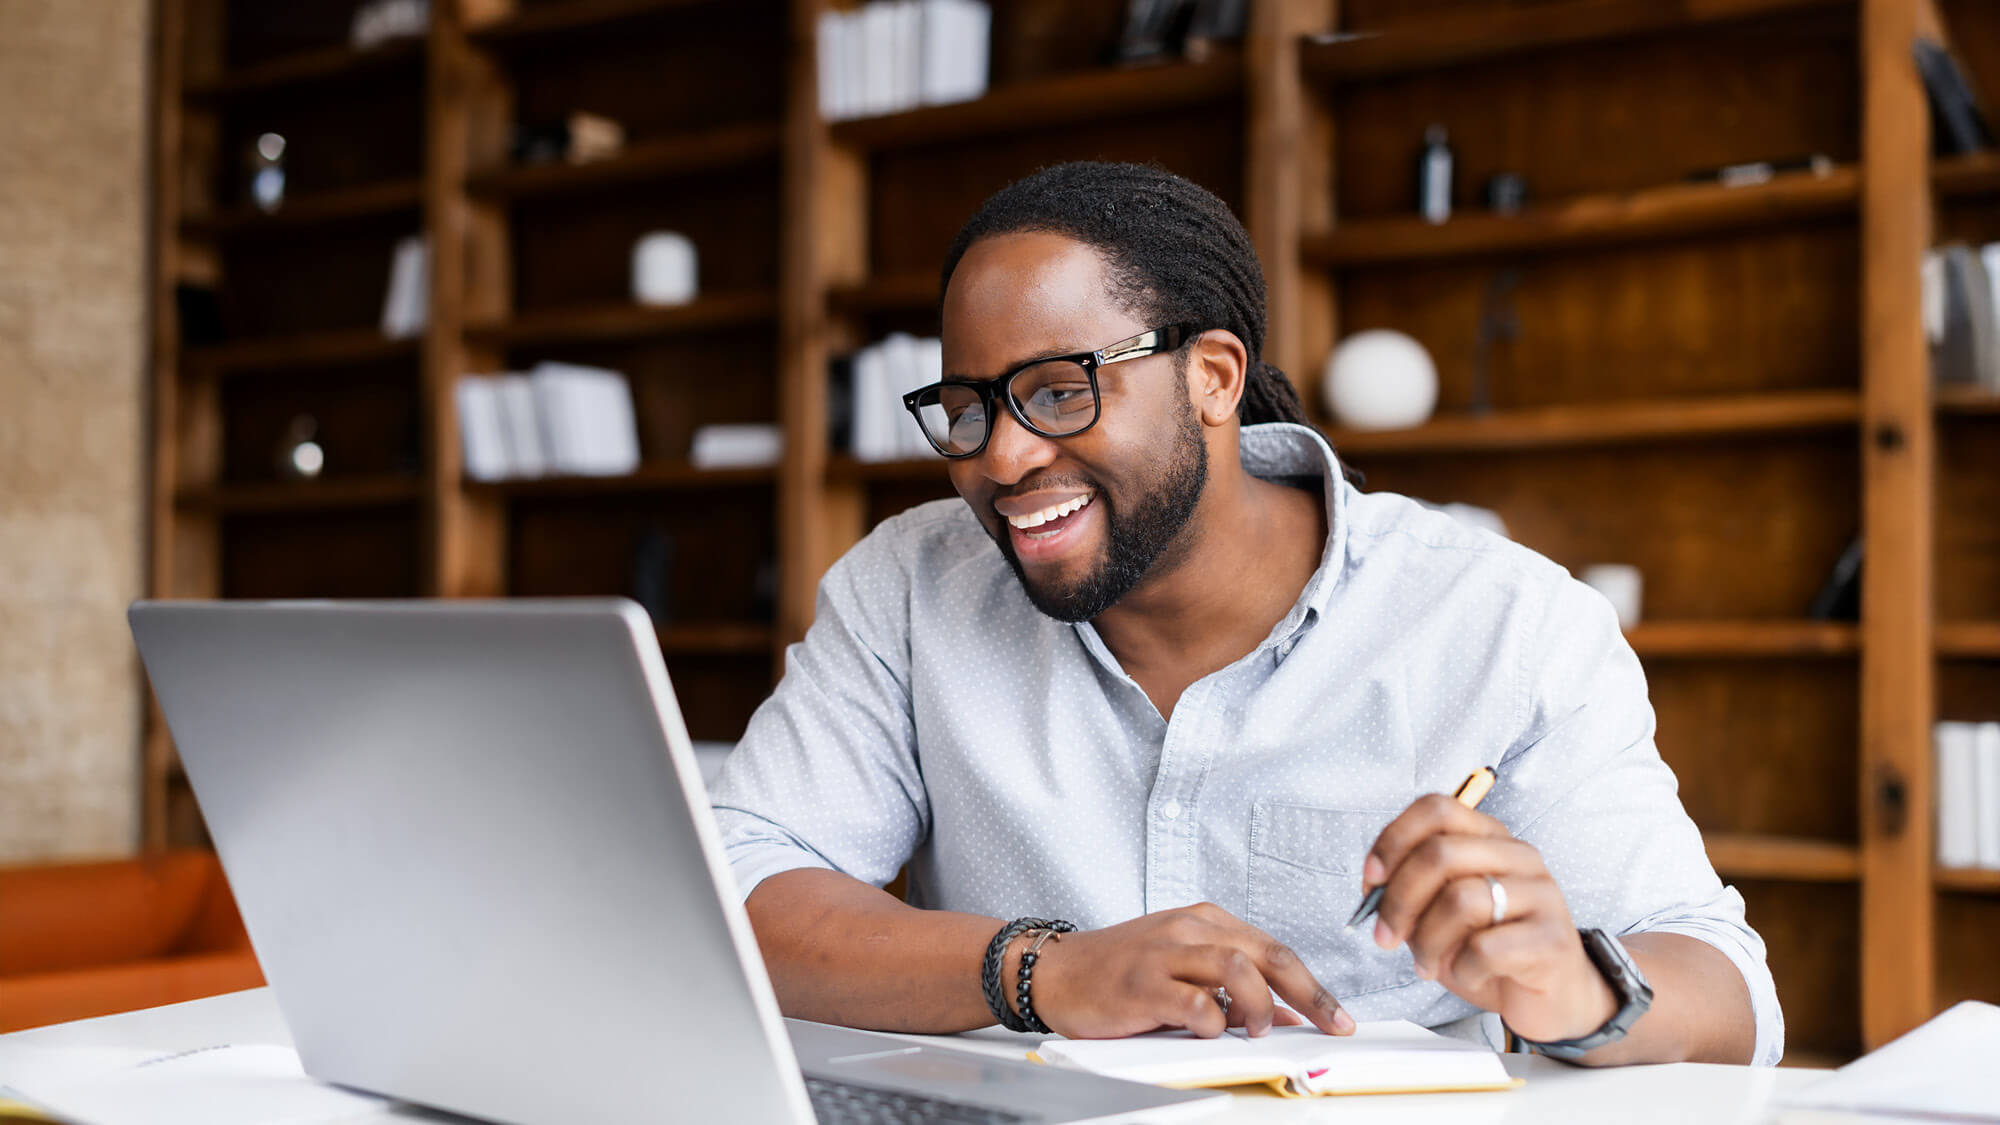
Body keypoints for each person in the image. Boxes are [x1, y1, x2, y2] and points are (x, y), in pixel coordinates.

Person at [710, 162, 1780, 1066]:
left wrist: (1578, 988)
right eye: (967, 406)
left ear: (1213, 376)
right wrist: (1038, 971)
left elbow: (1727, 993)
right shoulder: (908, 586)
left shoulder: (1498, 621)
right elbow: (736, 888)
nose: (1001, 457)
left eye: (1056, 391)